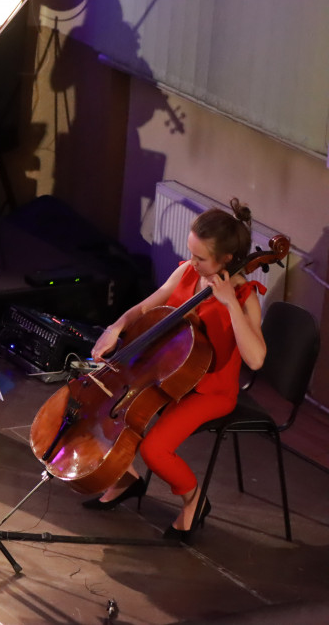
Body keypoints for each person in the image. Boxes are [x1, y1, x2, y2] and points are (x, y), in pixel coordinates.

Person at [82, 200, 266, 540]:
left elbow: (256, 360)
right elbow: (144, 308)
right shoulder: (187, 273)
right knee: (107, 412)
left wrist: (229, 303)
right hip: (168, 375)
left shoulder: (245, 298)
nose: (192, 263)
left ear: (226, 259)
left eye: (201, 258)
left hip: (209, 391)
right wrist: (115, 327)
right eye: (191, 253)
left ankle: (195, 500)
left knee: (155, 450)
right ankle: (126, 479)